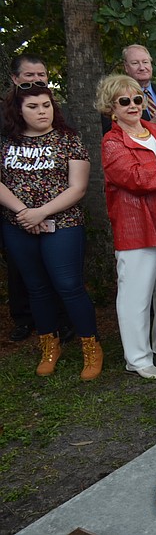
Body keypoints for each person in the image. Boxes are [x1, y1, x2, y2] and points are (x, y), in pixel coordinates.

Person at [1, 81, 102, 380]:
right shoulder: (7, 142)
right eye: (33, 106)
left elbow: (78, 187)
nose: (41, 111)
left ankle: (91, 347)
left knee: (69, 285)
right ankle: (49, 345)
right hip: (19, 225)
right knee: (36, 287)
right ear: (18, 110)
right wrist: (24, 214)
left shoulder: (69, 140)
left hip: (63, 225)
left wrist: (41, 213)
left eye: (46, 105)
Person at [97, 74, 156, 380]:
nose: (133, 105)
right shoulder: (112, 142)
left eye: (137, 99)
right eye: (125, 101)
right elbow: (135, 178)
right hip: (141, 226)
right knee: (136, 294)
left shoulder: (154, 129)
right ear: (112, 107)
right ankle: (137, 357)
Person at [2, 54, 73, 344]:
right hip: (13, 211)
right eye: (29, 76)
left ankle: (63, 321)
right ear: (15, 79)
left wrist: (41, 212)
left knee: (61, 271)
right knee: (22, 270)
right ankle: (24, 318)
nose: (36, 80)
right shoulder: (5, 116)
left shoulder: (54, 111)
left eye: (41, 74)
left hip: (56, 212)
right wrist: (23, 213)